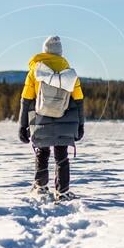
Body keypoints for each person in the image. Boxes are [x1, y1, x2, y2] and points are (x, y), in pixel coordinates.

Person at [18, 35, 84, 201]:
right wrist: (80, 124)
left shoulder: (35, 71)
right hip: (65, 120)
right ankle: (62, 192)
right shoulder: (69, 73)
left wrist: (22, 125)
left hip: (40, 119)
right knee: (62, 155)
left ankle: (40, 187)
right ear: (60, 53)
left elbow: (26, 100)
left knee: (42, 152)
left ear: (44, 51)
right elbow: (79, 100)